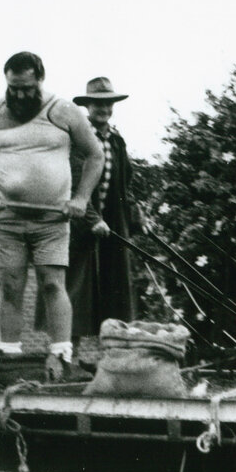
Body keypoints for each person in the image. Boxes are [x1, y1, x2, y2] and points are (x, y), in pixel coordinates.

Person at [0, 52, 104, 375]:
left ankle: (62, 356)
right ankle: (9, 358)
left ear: (40, 79)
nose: (20, 95)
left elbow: (95, 156)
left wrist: (81, 198)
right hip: (7, 219)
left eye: (27, 88)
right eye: (14, 88)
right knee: (11, 286)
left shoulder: (63, 110)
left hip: (52, 219)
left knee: (53, 284)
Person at [64, 77, 141, 341]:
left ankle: (111, 353)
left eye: (108, 104)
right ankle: (68, 354)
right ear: (88, 106)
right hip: (81, 223)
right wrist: (92, 219)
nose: (104, 109)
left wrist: (136, 215)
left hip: (112, 225)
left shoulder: (117, 141)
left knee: (114, 289)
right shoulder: (78, 138)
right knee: (77, 288)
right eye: (98, 104)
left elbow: (125, 185)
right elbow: (74, 182)